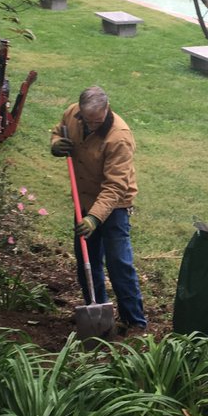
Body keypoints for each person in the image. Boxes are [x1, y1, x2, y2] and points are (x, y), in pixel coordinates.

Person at [50, 86, 147, 331]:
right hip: (83, 200)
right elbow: (59, 128)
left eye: (98, 121)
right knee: (87, 262)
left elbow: (115, 186)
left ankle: (134, 322)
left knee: (119, 264)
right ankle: (98, 316)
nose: (92, 126)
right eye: (87, 120)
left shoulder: (119, 137)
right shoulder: (73, 113)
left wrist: (94, 217)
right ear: (80, 111)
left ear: (107, 109)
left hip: (114, 207)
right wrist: (56, 143)